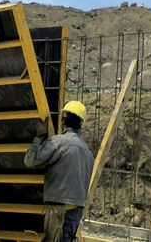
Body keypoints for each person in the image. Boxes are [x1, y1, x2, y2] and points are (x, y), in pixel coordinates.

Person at [24, 101, 94, 242]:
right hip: (76, 210)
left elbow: (30, 161)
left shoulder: (57, 143)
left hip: (59, 210)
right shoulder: (87, 152)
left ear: (63, 121)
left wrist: (39, 138)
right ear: (81, 123)